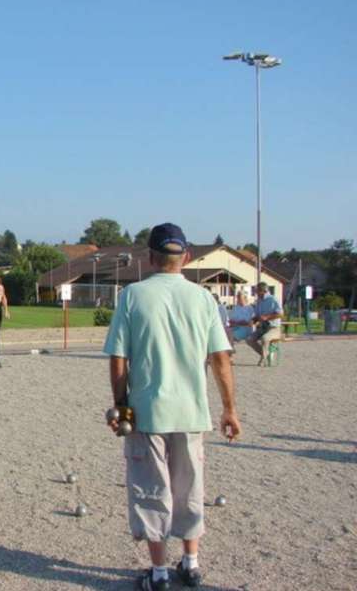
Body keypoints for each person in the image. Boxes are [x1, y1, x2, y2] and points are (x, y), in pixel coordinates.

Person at [103, 223, 241, 590]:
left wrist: (121, 408)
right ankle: (191, 563)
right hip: (192, 412)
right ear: (187, 258)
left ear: (149, 257)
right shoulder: (204, 299)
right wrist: (229, 409)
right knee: (189, 487)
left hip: (147, 413)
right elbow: (221, 359)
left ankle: (159, 572)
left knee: (151, 488)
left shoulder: (132, 295)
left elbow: (119, 359)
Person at [246, 282, 283, 366]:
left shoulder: (273, 299)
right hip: (262, 327)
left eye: (257, 291)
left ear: (263, 291)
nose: (256, 293)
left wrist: (267, 317)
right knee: (249, 340)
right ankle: (266, 354)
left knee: (265, 338)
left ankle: (263, 359)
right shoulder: (259, 301)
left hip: (274, 328)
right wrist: (252, 320)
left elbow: (280, 314)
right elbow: (257, 316)